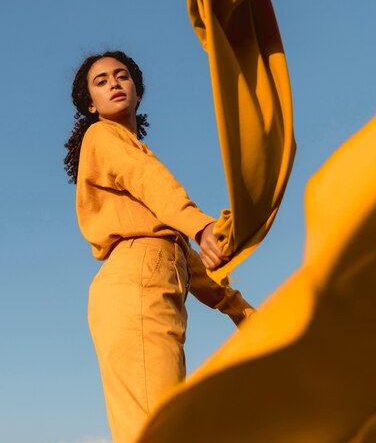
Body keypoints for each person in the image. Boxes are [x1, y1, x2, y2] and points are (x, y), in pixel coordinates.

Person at [64, 50, 254, 443]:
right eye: (101, 82)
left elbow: (182, 254)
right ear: (90, 105)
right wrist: (200, 225)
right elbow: (146, 177)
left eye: (122, 76)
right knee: (161, 429)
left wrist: (241, 310)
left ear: (137, 90)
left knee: (152, 429)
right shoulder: (104, 138)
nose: (114, 83)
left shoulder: (129, 159)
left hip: (140, 283)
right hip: (135, 280)